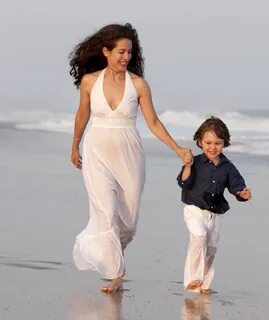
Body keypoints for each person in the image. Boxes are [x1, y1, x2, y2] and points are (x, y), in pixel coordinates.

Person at [69, 23, 191, 294]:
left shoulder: (138, 85)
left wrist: (178, 149)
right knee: (105, 212)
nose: (126, 57)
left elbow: (154, 122)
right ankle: (117, 274)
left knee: (129, 223)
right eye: (121, 52)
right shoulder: (90, 81)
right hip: (96, 150)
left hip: (129, 154)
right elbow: (82, 115)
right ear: (106, 52)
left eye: (129, 52)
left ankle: (114, 256)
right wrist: (75, 144)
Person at [177, 116, 252, 294]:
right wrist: (187, 166)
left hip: (215, 214)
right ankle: (192, 278)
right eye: (208, 142)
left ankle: (204, 285)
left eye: (217, 143)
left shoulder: (228, 167)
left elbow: (236, 186)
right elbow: (184, 183)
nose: (212, 147)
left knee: (210, 248)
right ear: (199, 142)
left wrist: (242, 193)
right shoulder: (194, 162)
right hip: (194, 209)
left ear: (224, 143)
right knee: (199, 237)